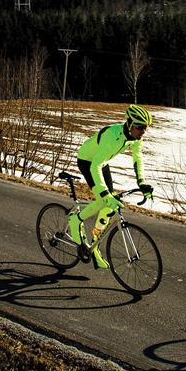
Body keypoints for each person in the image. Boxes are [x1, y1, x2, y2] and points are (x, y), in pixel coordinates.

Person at [69, 104, 156, 268]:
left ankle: (94, 243)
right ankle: (75, 220)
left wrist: (142, 182)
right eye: (140, 127)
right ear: (130, 124)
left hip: (102, 162)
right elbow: (94, 166)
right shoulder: (111, 136)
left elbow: (138, 159)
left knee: (110, 204)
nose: (143, 131)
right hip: (88, 161)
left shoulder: (135, 138)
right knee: (104, 200)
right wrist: (104, 193)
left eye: (145, 128)